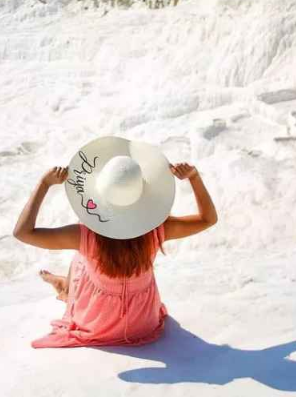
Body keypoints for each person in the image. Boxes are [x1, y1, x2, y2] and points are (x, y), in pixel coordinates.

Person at [13, 136, 218, 348]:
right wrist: (194, 177)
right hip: (143, 324)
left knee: (81, 258)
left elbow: (23, 233)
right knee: (88, 257)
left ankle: (66, 288)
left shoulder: (84, 235)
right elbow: (207, 219)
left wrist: (44, 184)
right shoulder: (157, 230)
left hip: (97, 324)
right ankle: (65, 285)